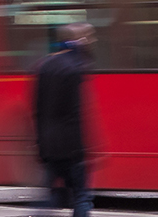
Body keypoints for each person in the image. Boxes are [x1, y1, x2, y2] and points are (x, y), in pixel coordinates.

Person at [32, 23, 97, 217]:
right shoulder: (75, 68)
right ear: (80, 40)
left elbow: (38, 110)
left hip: (49, 146)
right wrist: (83, 148)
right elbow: (75, 113)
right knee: (81, 197)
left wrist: (40, 145)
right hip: (71, 147)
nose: (93, 41)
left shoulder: (44, 66)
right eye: (89, 37)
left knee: (53, 196)